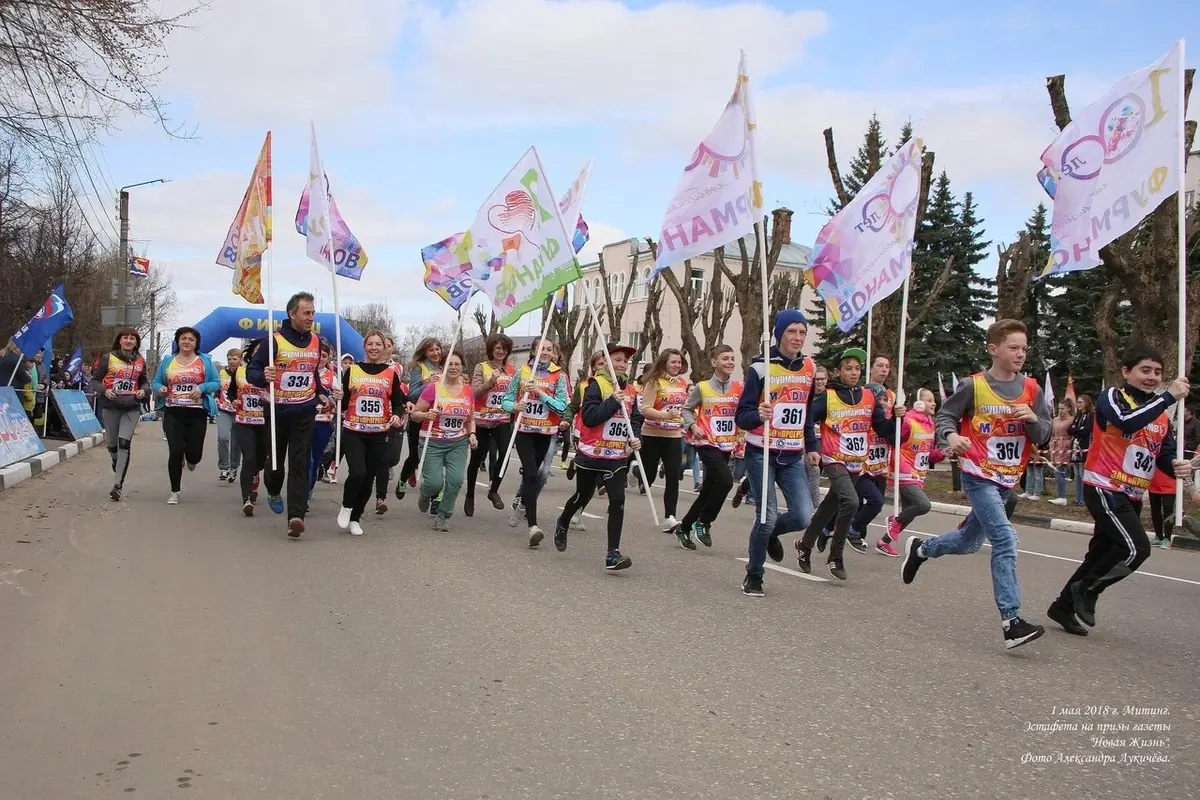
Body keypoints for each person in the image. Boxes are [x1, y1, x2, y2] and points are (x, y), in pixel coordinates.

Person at [901, 319, 1051, 650]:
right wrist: (951, 436)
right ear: (993, 348)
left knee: (969, 543)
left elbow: (1044, 435)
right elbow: (945, 417)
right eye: (1013, 347)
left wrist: (1034, 421)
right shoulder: (973, 385)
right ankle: (1012, 622)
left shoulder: (1032, 389)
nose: (1020, 354)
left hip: (1007, 480)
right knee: (1005, 540)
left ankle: (922, 549)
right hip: (977, 474)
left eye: (1024, 349)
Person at [1047, 345, 1191, 636]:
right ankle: (1087, 590)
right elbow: (1126, 421)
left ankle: (1062, 606)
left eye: (1158, 372)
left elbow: (1161, 453)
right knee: (1136, 548)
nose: (1152, 377)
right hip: (1104, 487)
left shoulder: (1161, 415)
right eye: (1145, 370)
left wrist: (1176, 465)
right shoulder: (1112, 397)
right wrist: (1167, 397)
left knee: (1101, 553)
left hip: (1133, 493)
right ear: (1127, 372)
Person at [797, 348, 902, 580]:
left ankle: (804, 546)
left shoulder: (869, 397)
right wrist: (812, 448)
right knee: (851, 501)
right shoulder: (829, 397)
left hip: (855, 462)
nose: (854, 373)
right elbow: (806, 421)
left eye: (857, 368)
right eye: (848, 369)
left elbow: (883, 430)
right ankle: (836, 556)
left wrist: (895, 417)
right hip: (833, 459)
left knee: (828, 507)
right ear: (838, 371)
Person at [735, 309, 817, 597]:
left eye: (802, 332)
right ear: (780, 333)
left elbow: (806, 412)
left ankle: (769, 536)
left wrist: (812, 446)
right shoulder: (760, 368)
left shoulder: (810, 368)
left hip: (793, 454)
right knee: (765, 516)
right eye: (792, 331)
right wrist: (758, 414)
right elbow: (741, 417)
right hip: (761, 452)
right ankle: (754, 575)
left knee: (803, 517)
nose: (797, 337)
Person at [248, 291, 338, 537]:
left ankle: (296, 517)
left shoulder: (317, 342)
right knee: (275, 464)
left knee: (300, 463)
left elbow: (313, 373)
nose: (311, 318)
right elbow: (252, 371)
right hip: (276, 410)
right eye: (306, 313)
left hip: (304, 411)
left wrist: (320, 392)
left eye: (313, 313)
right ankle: (274, 490)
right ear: (292, 314)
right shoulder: (273, 341)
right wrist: (262, 376)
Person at [554, 343, 640, 570]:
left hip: (617, 456)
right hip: (592, 454)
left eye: (625, 361)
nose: (622, 364)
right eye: (617, 360)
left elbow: (636, 419)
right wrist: (613, 400)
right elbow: (591, 418)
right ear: (607, 362)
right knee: (582, 497)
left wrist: (636, 437)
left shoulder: (631, 390)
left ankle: (613, 554)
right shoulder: (596, 386)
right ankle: (563, 521)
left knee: (618, 501)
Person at [336, 331, 406, 536]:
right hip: (354, 430)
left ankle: (356, 518)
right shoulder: (353, 370)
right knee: (358, 472)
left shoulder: (391, 374)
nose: (374, 348)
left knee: (368, 479)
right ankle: (346, 506)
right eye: (370, 344)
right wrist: (339, 396)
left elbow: (398, 403)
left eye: (379, 344)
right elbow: (344, 399)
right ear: (364, 347)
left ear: (385, 348)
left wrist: (397, 416)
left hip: (379, 433)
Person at [500, 338, 569, 547]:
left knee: (538, 475)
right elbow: (506, 400)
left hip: (546, 432)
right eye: (542, 348)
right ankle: (533, 526)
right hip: (524, 431)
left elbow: (561, 406)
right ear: (533, 350)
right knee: (530, 473)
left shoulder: (560, 376)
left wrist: (540, 394)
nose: (546, 352)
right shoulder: (522, 373)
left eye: (549, 349)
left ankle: (522, 503)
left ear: (554, 353)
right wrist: (515, 406)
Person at [675, 345, 740, 549]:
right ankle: (704, 521)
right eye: (724, 358)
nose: (730, 362)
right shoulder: (702, 387)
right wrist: (693, 425)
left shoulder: (739, 387)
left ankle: (684, 527)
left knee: (709, 490)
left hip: (726, 445)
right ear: (714, 362)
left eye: (732, 358)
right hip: (706, 442)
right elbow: (686, 409)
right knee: (726, 481)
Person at [153, 327, 219, 505]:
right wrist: (160, 388)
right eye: (183, 338)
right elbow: (156, 382)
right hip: (173, 411)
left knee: (194, 455)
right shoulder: (168, 361)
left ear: (196, 343)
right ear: (178, 341)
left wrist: (202, 388)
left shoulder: (204, 361)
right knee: (175, 452)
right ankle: (175, 491)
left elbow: (216, 383)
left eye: (191, 339)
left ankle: (191, 459)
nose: (187, 342)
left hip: (196, 412)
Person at [412, 352, 477, 530]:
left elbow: (471, 418)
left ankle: (443, 515)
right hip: (432, 441)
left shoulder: (468, 390)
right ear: (443, 368)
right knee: (434, 483)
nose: (454, 368)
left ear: (462, 367)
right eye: (450, 364)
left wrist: (472, 434)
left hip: (458, 442)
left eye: (457, 364)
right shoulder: (433, 388)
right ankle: (426, 492)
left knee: (455, 481)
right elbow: (415, 414)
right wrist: (426, 414)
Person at [877, 388, 943, 556]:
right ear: (918, 403)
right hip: (904, 471)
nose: (933, 403)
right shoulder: (908, 421)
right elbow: (892, 440)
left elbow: (927, 454)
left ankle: (883, 542)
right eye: (929, 400)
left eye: (933, 400)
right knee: (923, 505)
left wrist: (943, 453)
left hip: (918, 474)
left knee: (910, 512)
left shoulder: (930, 423)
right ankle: (894, 520)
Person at [93, 328, 150, 501]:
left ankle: (117, 485)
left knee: (124, 442)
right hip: (111, 406)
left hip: (131, 407)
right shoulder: (108, 358)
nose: (128, 341)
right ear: (120, 340)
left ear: (136, 343)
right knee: (112, 445)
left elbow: (145, 383)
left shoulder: (140, 361)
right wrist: (105, 390)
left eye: (132, 338)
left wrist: (143, 391)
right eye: (125, 337)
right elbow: (94, 380)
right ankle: (115, 459)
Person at [639, 349, 690, 530]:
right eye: (673, 362)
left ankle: (670, 516)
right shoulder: (654, 382)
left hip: (674, 436)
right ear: (663, 363)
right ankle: (635, 471)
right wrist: (665, 415)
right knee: (649, 476)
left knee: (673, 476)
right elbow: (645, 409)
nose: (677, 365)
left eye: (679, 362)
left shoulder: (682, 383)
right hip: (652, 434)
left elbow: (683, 408)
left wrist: (684, 420)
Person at [465, 333, 515, 516]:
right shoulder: (481, 367)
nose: (501, 351)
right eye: (498, 348)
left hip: (501, 420)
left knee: (505, 453)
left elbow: (514, 393)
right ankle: (470, 494)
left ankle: (493, 490)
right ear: (491, 350)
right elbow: (474, 393)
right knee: (477, 458)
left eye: (504, 348)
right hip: (481, 420)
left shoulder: (511, 370)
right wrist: (489, 384)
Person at [395, 337, 444, 499]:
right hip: (419, 417)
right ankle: (403, 479)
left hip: (438, 418)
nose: (436, 353)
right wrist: (429, 383)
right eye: (431, 350)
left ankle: (436, 495)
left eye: (438, 349)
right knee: (416, 456)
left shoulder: (446, 366)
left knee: (437, 457)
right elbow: (412, 394)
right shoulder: (419, 367)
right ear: (425, 352)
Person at [228, 340, 268, 516]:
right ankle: (247, 499)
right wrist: (234, 400)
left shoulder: (272, 372)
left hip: (264, 422)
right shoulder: (240, 371)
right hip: (244, 421)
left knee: (260, 459)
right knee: (249, 458)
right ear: (251, 353)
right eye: (257, 351)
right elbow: (231, 391)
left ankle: (255, 473)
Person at [373, 336, 404, 514]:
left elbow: (398, 392)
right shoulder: (365, 366)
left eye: (387, 345)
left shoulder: (396, 368)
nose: (384, 348)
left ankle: (380, 496)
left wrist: (405, 405)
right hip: (371, 420)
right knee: (379, 460)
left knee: (391, 458)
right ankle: (378, 497)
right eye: (377, 344)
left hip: (392, 416)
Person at [309, 340, 337, 508]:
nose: (320, 358)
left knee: (315, 458)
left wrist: (336, 397)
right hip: (304, 421)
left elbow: (338, 399)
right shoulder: (306, 372)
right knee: (306, 459)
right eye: (318, 354)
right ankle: (302, 492)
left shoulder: (332, 377)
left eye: (324, 356)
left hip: (323, 423)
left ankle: (309, 487)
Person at [215, 348, 243, 484]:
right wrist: (215, 397)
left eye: (235, 359)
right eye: (229, 359)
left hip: (240, 411)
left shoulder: (245, 373)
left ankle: (234, 467)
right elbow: (217, 387)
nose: (232, 362)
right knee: (223, 437)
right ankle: (224, 468)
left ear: (240, 360)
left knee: (236, 443)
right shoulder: (222, 372)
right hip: (223, 410)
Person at [1047, 399, 1075, 505]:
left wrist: (1068, 444)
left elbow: (1073, 434)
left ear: (1068, 409)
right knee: (1056, 471)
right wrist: (1051, 443)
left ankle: (1062, 496)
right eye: (1059, 408)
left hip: (1065, 447)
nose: (1060, 411)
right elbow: (1053, 434)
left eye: (1062, 408)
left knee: (1060, 471)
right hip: (1055, 447)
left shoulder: (1072, 420)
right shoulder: (1055, 420)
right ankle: (1059, 495)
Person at [1068, 395, 1094, 506]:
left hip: (1084, 446)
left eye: (1081, 402)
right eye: (1077, 402)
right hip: (1075, 447)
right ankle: (1078, 498)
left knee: (1082, 473)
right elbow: (1070, 429)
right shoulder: (1078, 416)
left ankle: (1083, 499)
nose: (1078, 404)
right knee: (1077, 474)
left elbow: (1087, 429)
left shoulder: (1090, 415)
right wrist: (1078, 429)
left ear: (1087, 403)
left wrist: (1077, 430)